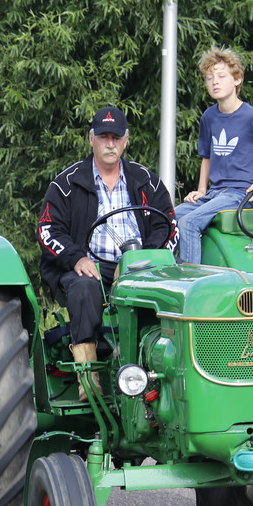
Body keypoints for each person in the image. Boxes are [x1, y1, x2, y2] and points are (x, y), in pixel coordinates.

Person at [38, 105, 178, 399]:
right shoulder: (67, 183)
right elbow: (48, 229)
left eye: (116, 137)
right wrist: (76, 257)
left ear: (126, 141)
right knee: (84, 287)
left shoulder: (146, 180)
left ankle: (148, 367)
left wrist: (145, 259)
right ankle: (88, 378)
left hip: (138, 264)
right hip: (88, 266)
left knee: (171, 293)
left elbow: (168, 226)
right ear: (92, 139)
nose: (110, 144)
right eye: (103, 137)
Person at [174, 46, 253, 264]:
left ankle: (191, 280)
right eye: (209, 78)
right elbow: (206, 157)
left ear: (237, 79)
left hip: (241, 194)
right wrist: (201, 190)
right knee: (170, 218)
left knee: (189, 223)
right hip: (214, 194)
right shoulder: (209, 117)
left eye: (221, 76)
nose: (214, 82)